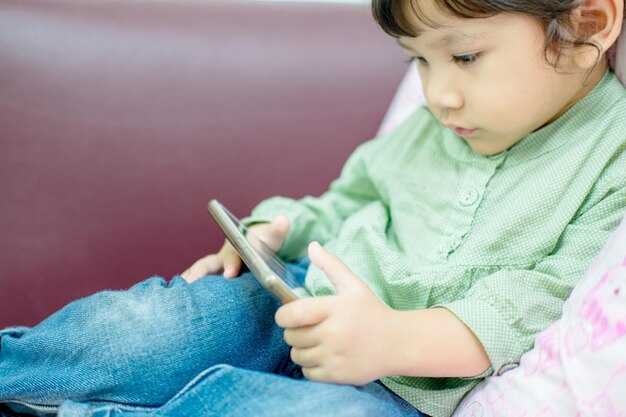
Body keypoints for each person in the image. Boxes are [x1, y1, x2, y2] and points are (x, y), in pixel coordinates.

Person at [1, 0, 625, 415]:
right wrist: (279, 230)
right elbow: (351, 199)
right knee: (158, 330)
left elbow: (545, 297)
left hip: (405, 384)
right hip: (303, 297)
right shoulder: (439, 125)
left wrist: (396, 340)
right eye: (419, 60)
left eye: (463, 57)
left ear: (588, 27)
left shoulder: (612, 154)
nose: (437, 95)